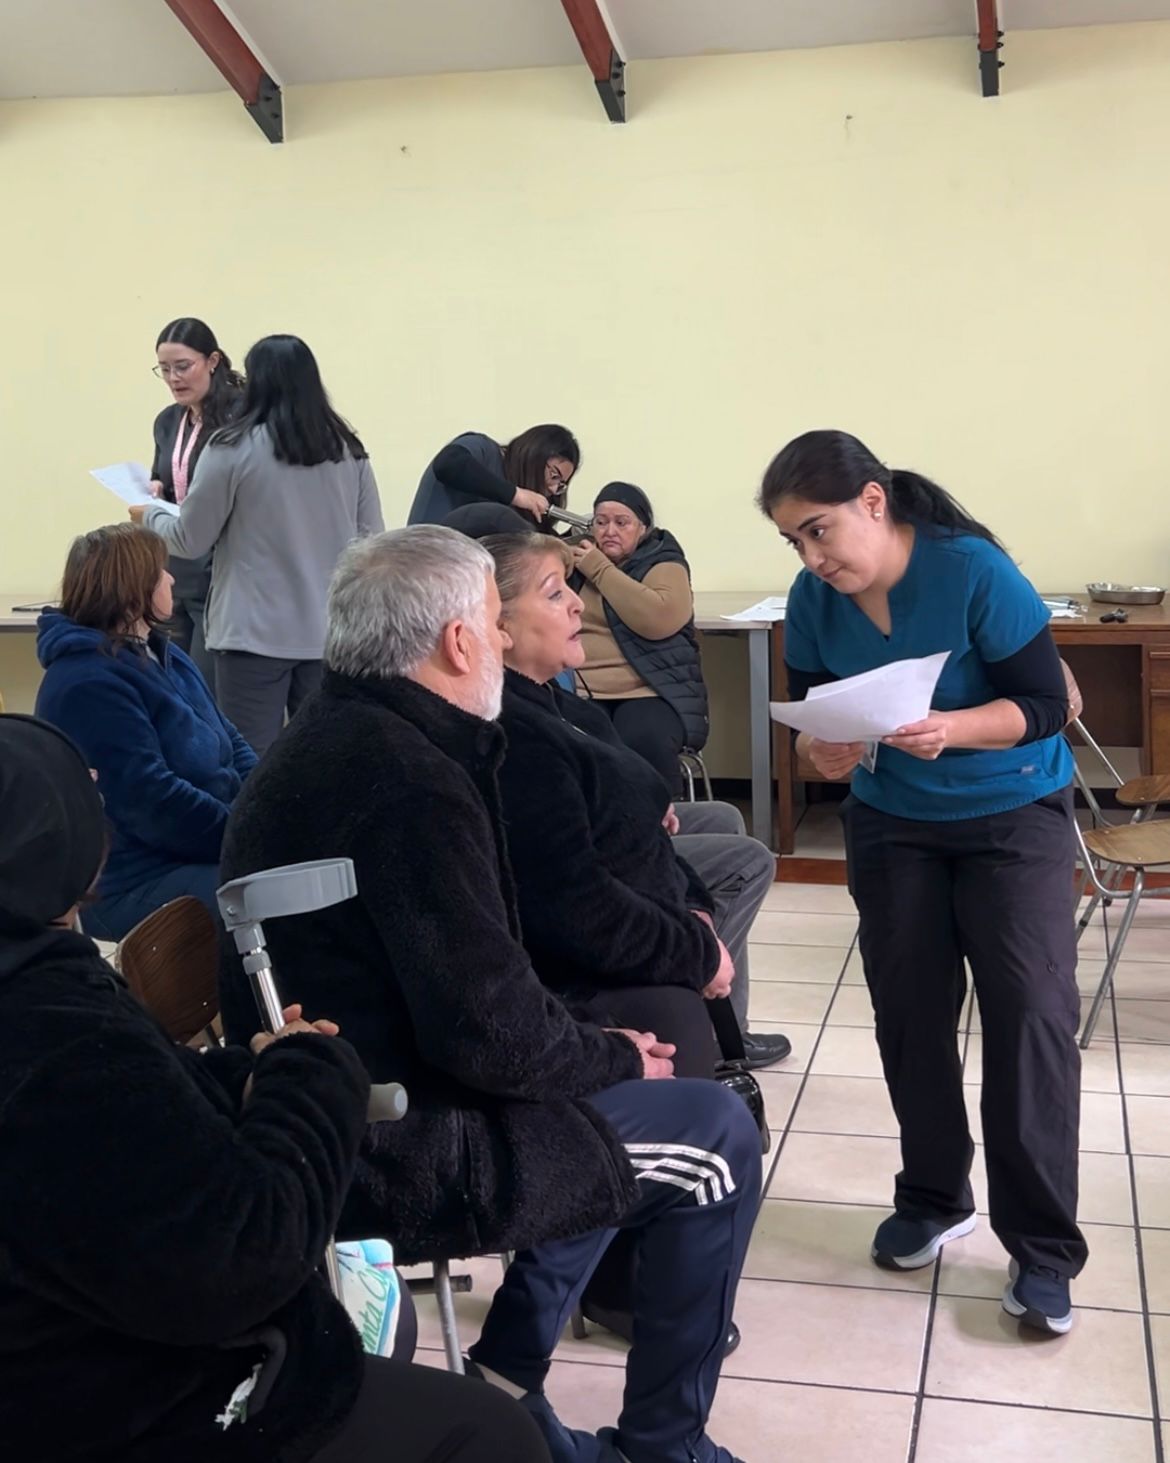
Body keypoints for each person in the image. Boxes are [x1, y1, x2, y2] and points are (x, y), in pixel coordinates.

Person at [217, 525, 760, 1463]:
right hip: (395, 1133)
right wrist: (610, 1051)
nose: (508, 641)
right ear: (460, 642)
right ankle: (662, 1445)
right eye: (494, 624)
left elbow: (479, 989)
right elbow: (491, 1034)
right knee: (715, 1135)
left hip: (339, 1100)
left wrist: (592, 1044)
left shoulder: (341, 736)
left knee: (619, 1086)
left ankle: (513, 1370)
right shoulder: (410, 780)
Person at [0, 713, 549, 1463]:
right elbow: (241, 1257)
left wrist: (247, 1069)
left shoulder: (42, 995)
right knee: (489, 1432)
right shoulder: (52, 1030)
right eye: (82, 791)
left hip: (68, 1362)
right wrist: (310, 1078)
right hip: (126, 1407)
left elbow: (127, 1124)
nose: (100, 796)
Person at [759, 428, 1084, 1336]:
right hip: (894, 821)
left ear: (873, 501)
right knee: (908, 1010)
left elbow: (1046, 704)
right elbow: (818, 715)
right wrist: (818, 749)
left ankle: (1043, 1248)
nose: (811, 558)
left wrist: (955, 726)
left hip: (1012, 811)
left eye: (819, 531)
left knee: (1029, 1014)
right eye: (793, 541)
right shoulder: (812, 600)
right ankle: (935, 1195)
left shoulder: (973, 570)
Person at [486, 531, 789, 1073]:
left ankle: (721, 1009)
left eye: (569, 587)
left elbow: (625, 776)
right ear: (497, 625)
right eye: (554, 593)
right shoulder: (517, 730)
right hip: (613, 904)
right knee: (749, 860)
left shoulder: (557, 700)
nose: (577, 604)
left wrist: (690, 900)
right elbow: (572, 890)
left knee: (723, 817)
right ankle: (718, 1011)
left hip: (636, 842)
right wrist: (693, 940)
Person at [138, 334, 384, 757]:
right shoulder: (349, 450)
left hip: (251, 635)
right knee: (325, 760)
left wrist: (150, 514)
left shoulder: (230, 448)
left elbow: (190, 540)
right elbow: (372, 543)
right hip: (329, 633)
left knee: (250, 762)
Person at [34, 524, 255, 941]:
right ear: (133, 590)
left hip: (200, 849)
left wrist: (264, 803)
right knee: (278, 898)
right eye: (161, 573)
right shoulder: (87, 683)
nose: (171, 579)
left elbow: (230, 739)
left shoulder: (159, 652)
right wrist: (244, 835)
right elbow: (151, 801)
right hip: (131, 880)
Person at [571, 483, 708, 795]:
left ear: (643, 528)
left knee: (642, 738)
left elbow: (659, 619)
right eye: (601, 522)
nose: (609, 531)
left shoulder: (663, 562)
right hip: (583, 690)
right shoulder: (577, 560)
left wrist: (599, 569)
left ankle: (661, 819)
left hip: (649, 689)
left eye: (622, 523)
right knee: (572, 740)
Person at [148, 317, 246, 684]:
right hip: (175, 570)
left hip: (221, 572)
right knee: (172, 685)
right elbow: (164, 476)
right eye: (164, 369)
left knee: (207, 689)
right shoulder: (168, 421)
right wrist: (154, 489)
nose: (174, 378)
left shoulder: (241, 417)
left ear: (213, 361)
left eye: (183, 366)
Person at [409, 424, 579, 528]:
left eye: (561, 485)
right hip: (424, 562)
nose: (553, 489)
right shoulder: (483, 449)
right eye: (554, 475)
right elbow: (448, 464)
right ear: (535, 455)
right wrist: (516, 495)